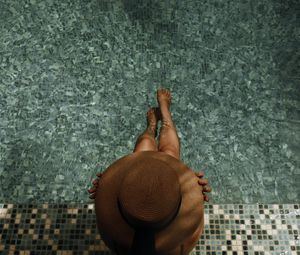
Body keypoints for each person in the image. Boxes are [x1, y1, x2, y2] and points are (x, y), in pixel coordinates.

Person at [88, 88, 212, 255]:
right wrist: (193, 193)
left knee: (144, 149)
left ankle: (151, 127)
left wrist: (106, 189)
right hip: (161, 217)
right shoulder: (176, 247)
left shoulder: (118, 240)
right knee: (169, 153)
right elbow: (193, 234)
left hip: (133, 212)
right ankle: (165, 117)